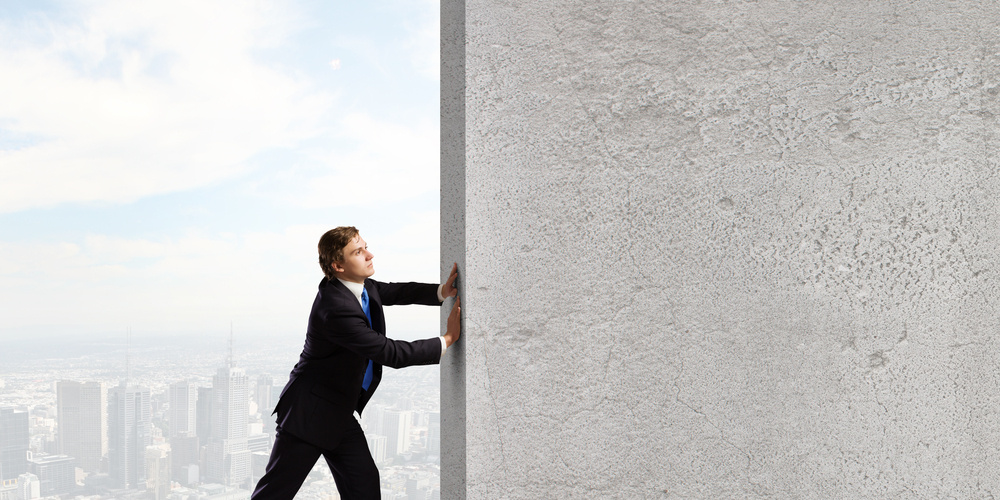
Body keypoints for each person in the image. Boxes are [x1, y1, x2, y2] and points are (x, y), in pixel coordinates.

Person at [251, 226, 461, 499]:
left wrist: (441, 292)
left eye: (365, 247)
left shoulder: (359, 286)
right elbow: (389, 352)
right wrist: (446, 339)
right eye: (358, 252)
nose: (369, 255)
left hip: (338, 413)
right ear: (338, 265)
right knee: (275, 493)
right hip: (308, 415)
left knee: (364, 487)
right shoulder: (336, 308)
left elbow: (395, 292)